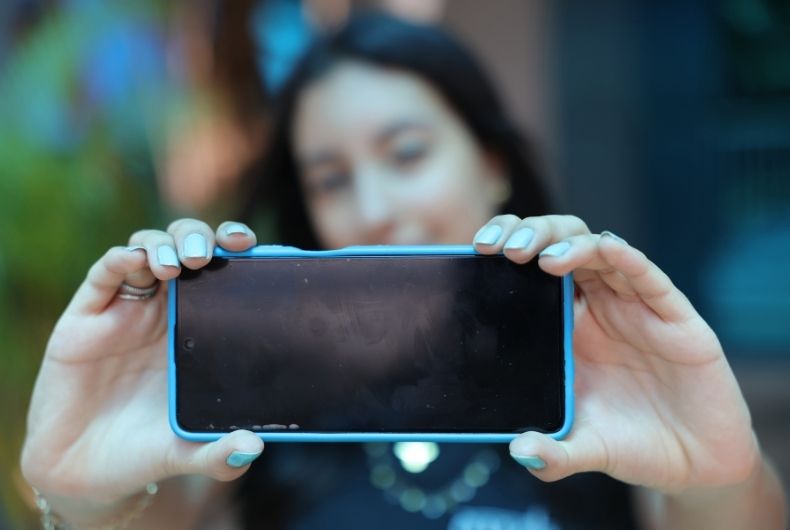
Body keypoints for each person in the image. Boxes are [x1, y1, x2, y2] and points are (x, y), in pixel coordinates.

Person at [20, 12, 786, 530]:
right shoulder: (255, 416)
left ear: (492, 162)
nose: (374, 208)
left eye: (408, 153)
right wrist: (85, 501)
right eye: (330, 179)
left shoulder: (600, 384)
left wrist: (720, 477)